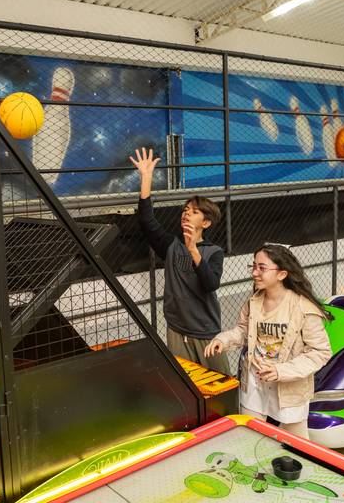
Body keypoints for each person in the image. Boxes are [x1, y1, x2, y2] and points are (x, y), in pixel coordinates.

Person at [204, 243, 333, 438]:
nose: (255, 273)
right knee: (250, 435)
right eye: (253, 266)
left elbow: (320, 352)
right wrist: (223, 340)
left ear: (282, 274)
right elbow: (244, 330)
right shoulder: (254, 301)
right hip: (255, 381)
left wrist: (281, 371)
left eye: (262, 268)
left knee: (295, 443)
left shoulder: (303, 308)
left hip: (289, 387)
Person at [131, 147, 228, 374]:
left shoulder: (214, 252)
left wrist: (193, 249)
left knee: (221, 382)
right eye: (185, 210)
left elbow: (211, 284)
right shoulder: (171, 245)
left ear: (206, 223)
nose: (186, 213)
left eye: (194, 212)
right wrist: (146, 178)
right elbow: (146, 221)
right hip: (176, 330)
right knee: (185, 384)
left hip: (205, 332)